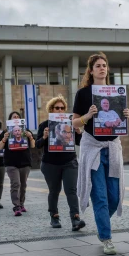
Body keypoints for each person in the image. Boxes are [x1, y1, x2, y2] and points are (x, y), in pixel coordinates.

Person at [71, 52, 129, 255]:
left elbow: (119, 123)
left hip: (112, 148)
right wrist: (88, 115)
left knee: (114, 198)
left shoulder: (116, 92)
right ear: (91, 70)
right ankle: (106, 237)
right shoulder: (83, 94)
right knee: (101, 198)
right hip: (93, 148)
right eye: (97, 65)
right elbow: (75, 122)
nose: (102, 68)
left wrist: (125, 116)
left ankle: (101, 223)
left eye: (104, 65)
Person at [36, 95, 86, 230]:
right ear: (51, 109)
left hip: (69, 161)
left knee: (71, 190)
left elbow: (80, 142)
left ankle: (75, 219)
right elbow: (37, 145)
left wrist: (78, 132)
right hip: (50, 163)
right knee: (54, 190)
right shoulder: (45, 125)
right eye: (57, 108)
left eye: (62, 108)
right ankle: (54, 216)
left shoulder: (70, 123)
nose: (60, 110)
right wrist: (45, 137)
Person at [0, 111, 35, 216]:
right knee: (16, 184)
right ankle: (16, 206)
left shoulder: (26, 131)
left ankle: (21, 204)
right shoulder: (5, 132)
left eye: (18, 117)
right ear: (10, 120)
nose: (16, 118)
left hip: (25, 161)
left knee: (23, 185)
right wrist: (4, 138)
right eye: (13, 117)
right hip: (11, 162)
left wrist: (30, 137)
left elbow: (33, 145)